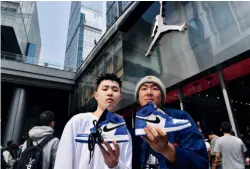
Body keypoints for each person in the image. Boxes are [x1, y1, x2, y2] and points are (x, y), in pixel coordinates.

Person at [54, 73, 132, 169]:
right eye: (105, 89)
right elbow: (63, 161)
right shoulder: (78, 122)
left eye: (115, 90)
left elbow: (128, 166)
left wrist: (116, 165)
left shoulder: (124, 132)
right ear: (96, 95)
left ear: (120, 97)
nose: (110, 93)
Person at [134, 75, 209, 169]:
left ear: (162, 97)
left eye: (155, 88)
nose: (149, 92)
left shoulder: (181, 117)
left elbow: (201, 164)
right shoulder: (134, 132)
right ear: (138, 98)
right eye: (144, 88)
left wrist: (168, 150)